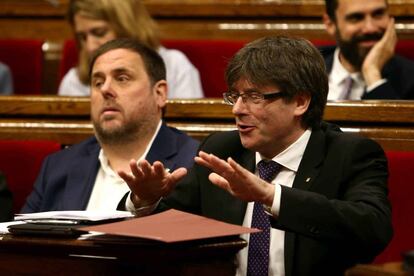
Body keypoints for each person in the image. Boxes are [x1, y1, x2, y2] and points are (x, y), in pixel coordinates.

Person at [119, 36, 392, 275]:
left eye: (253, 96)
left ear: (300, 101)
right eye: (235, 96)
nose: (237, 109)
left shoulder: (349, 155)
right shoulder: (222, 151)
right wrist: (146, 199)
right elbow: (170, 226)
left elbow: (373, 230)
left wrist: (271, 196)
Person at [22, 38, 199, 212]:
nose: (105, 89)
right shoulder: (58, 166)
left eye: (122, 78)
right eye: (97, 82)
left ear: (159, 93)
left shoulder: (193, 164)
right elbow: (17, 239)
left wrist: (144, 203)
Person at [58, 0, 203, 99]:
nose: (90, 46)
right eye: (82, 37)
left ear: (126, 27)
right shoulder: (74, 80)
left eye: (99, 33)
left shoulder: (175, 66)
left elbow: (190, 134)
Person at [322, 0, 414, 100]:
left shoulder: (410, 79)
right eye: (356, 18)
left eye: (378, 14)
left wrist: (373, 73)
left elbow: (395, 116)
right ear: (330, 24)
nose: (370, 28)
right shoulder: (305, 68)